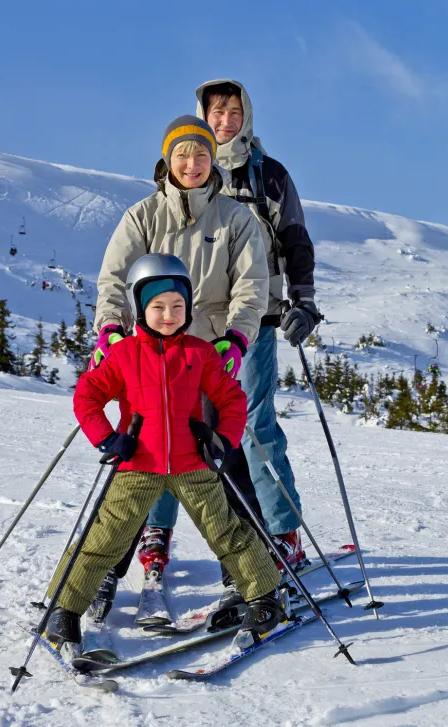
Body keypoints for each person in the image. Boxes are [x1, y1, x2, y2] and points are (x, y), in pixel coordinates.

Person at [43, 253, 282, 647]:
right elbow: (87, 396)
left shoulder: (200, 353)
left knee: (228, 532)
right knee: (104, 538)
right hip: (138, 464)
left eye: (177, 306)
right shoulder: (122, 355)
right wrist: (108, 438)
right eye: (157, 307)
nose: (168, 315)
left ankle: (264, 596)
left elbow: (232, 399)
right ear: (140, 308)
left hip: (193, 463)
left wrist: (222, 441)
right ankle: (63, 609)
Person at [87, 115, 269, 612]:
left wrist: (235, 338)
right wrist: (110, 328)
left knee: (225, 459)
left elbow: (252, 286)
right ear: (168, 160)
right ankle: (102, 572)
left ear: (214, 159)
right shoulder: (143, 216)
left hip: (208, 354)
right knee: (135, 464)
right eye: (183, 155)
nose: (193, 164)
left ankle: (248, 571)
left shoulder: (236, 218)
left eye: (202, 154)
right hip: (147, 358)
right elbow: (114, 280)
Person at [193, 78, 320, 566]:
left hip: (255, 320)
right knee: (193, 429)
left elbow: (295, 240)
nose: (225, 120)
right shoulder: (191, 170)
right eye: (216, 111)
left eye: (233, 111)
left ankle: (283, 534)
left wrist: (303, 302)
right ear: (202, 115)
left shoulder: (270, 175)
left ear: (246, 114)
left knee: (252, 425)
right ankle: (229, 538)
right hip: (195, 323)